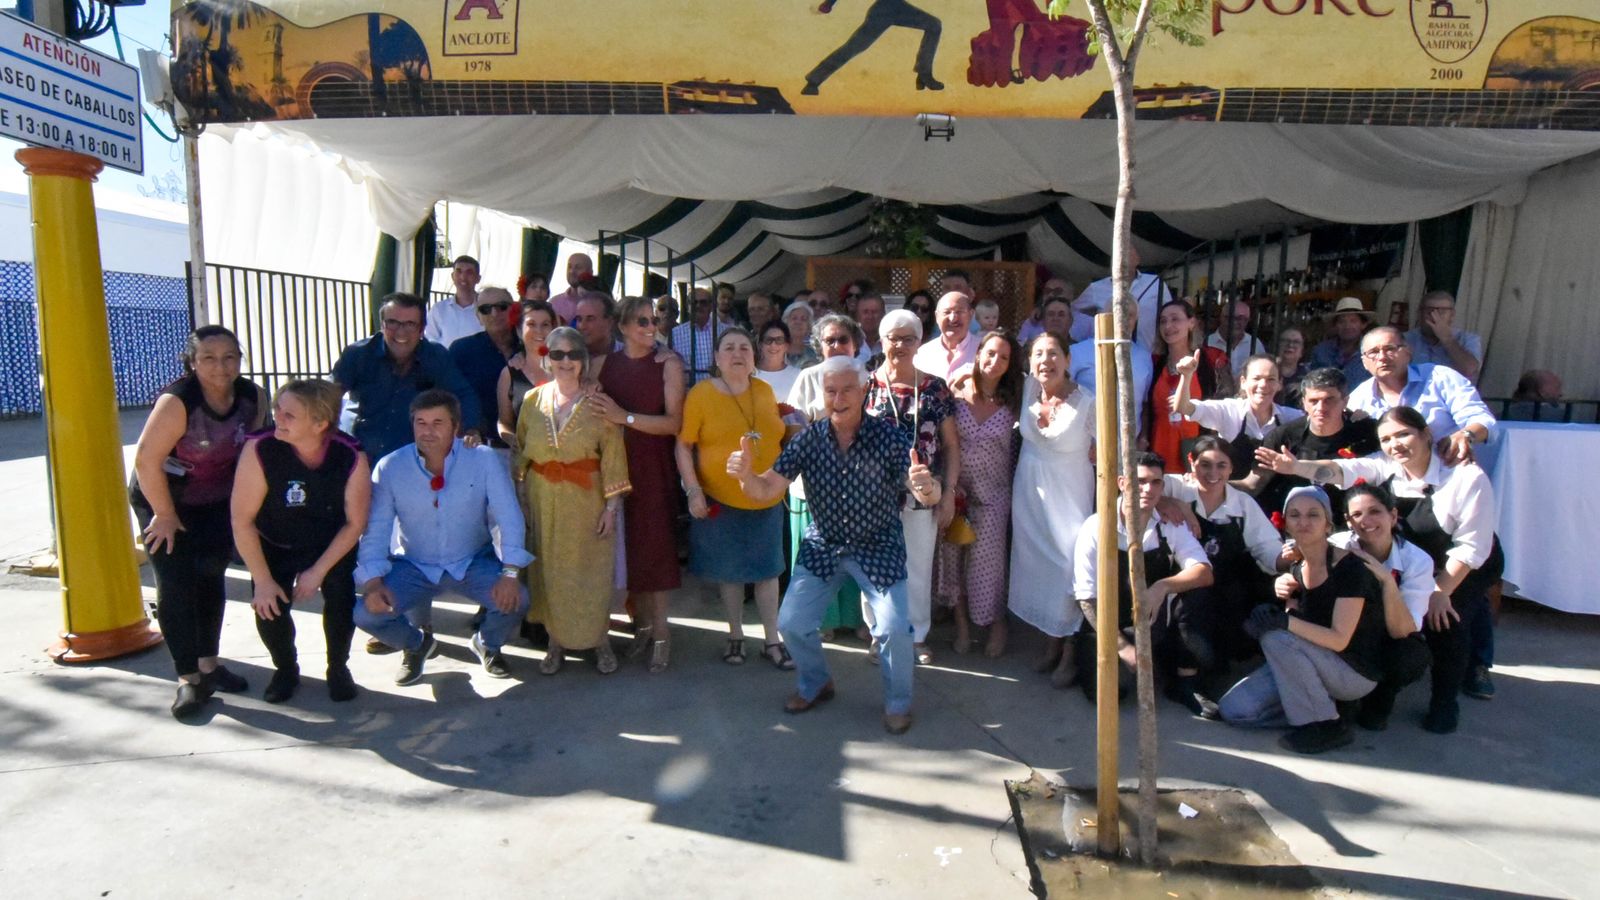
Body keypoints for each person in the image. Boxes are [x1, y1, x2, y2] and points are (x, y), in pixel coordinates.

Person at [1257, 406, 1502, 734]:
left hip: (1462, 562)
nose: (1395, 444)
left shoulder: (1465, 476)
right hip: (1397, 554)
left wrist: (1440, 591)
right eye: (1386, 438)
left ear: (1426, 433)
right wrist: (1296, 466)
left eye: (1403, 434)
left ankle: (1444, 701)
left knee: (1445, 621)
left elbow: (1472, 547)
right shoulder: (1386, 466)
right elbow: (1340, 469)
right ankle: (1371, 690)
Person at [728, 355, 939, 735]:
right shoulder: (809, 439)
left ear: (863, 391)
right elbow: (768, 489)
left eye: (846, 390)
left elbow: (922, 490)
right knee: (791, 623)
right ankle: (816, 683)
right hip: (824, 544)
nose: (838, 398)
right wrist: (746, 478)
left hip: (878, 545)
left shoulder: (890, 438)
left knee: (893, 629)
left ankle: (898, 703)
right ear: (822, 395)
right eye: (830, 391)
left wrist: (927, 486)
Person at [131, 326, 270, 719]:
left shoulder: (251, 396)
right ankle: (188, 679)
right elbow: (146, 460)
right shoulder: (179, 401)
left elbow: (259, 451)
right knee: (175, 583)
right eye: (208, 358)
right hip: (164, 500)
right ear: (192, 362)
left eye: (230, 357)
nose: (220, 366)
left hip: (215, 500)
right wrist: (165, 514)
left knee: (211, 577)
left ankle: (209, 665)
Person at [354, 390, 532, 684]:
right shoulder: (389, 467)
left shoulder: (483, 459)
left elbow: (509, 517)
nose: (428, 431)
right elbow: (376, 531)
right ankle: (416, 645)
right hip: (414, 565)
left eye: (438, 422)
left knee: (518, 598)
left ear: (456, 426)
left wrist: (510, 573)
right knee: (365, 614)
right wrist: (372, 583)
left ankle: (488, 642)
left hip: (472, 561)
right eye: (421, 422)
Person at [1216, 486, 1388, 754]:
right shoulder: (1297, 567)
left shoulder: (1351, 570)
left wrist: (1285, 624)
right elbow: (1298, 621)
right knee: (1234, 711)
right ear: (1286, 524)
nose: (1303, 522)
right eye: (1294, 515)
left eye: (1313, 515)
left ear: (1328, 524)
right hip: (1311, 660)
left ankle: (1327, 725)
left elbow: (1339, 640)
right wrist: (1286, 610)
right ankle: (1325, 707)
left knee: (1275, 638)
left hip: (1353, 670)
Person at [231, 380, 370, 704]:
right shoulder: (260, 447)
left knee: (340, 599)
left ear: (320, 423)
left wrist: (317, 573)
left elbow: (355, 524)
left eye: (289, 414)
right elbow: (241, 519)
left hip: (328, 542)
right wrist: (263, 580)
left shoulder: (349, 454)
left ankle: (338, 668)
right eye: (278, 409)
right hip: (273, 540)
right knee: (269, 607)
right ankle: (285, 669)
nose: (277, 417)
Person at [516, 328, 632, 675]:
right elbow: (521, 451)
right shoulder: (532, 402)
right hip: (543, 498)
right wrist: (522, 499)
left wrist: (611, 508)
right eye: (557, 354)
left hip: (588, 500)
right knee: (549, 572)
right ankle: (555, 641)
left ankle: (599, 639)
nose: (565, 361)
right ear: (546, 358)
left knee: (590, 571)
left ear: (582, 360)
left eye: (572, 354)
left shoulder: (599, 404)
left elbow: (613, 455)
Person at [676, 328, 792, 669]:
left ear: (754, 357)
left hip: (767, 496)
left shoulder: (765, 390)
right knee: (730, 574)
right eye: (729, 348)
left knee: (768, 572)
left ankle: (772, 639)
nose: (737, 353)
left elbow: (780, 436)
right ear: (716, 358)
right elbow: (684, 445)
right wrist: (693, 489)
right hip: (721, 499)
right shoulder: (701, 394)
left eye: (744, 347)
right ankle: (736, 635)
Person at [1072, 452, 1214, 704]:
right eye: (1140, 481)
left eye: (1156, 482)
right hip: (1110, 626)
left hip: (1154, 621)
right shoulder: (1096, 528)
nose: (1148, 489)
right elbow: (1086, 599)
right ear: (1122, 483)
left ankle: (1184, 678)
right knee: (1107, 697)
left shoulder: (1170, 524)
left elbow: (1204, 572)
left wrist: (1162, 587)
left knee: (1197, 597)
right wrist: (1124, 649)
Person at [591, 300, 687, 673]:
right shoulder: (605, 365)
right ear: (624, 327)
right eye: (643, 321)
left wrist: (623, 417)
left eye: (655, 320)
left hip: (652, 465)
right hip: (613, 468)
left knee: (656, 549)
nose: (652, 326)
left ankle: (662, 633)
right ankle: (642, 627)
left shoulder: (669, 364)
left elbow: (674, 423)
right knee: (628, 552)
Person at [1159, 436, 1284, 708]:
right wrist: (1168, 501)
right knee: (1195, 602)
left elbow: (1267, 547)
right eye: (1205, 464)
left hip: (1225, 583)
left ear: (1231, 469)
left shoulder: (1242, 505)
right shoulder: (1175, 486)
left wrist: (1291, 560)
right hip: (1178, 582)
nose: (1212, 473)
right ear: (1191, 463)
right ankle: (1184, 680)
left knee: (1247, 595)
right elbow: (1135, 484)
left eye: (1221, 465)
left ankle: (1214, 667)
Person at [869, 309, 960, 665]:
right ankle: (880, 634)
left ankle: (916, 635)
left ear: (920, 341)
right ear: (882, 340)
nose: (900, 344)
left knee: (918, 566)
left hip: (923, 494)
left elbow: (952, 444)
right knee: (875, 565)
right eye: (893, 337)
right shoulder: (866, 384)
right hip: (874, 495)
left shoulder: (935, 387)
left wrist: (949, 492)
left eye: (909, 338)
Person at [1008, 331, 1097, 686]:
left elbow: (1110, 452)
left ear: (1068, 359)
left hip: (1069, 498)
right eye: (1039, 354)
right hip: (1029, 498)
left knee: (1068, 568)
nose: (1046, 360)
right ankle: (1051, 642)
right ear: (1030, 362)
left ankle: (1071, 650)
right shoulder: (1026, 389)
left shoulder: (1088, 402)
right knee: (1039, 569)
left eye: (1054, 353)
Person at [935, 331, 1022, 658]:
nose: (994, 362)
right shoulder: (955, 393)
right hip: (957, 491)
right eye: (990, 353)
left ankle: (994, 621)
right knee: (952, 558)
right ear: (978, 354)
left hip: (994, 494)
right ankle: (961, 625)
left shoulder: (1014, 400)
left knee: (987, 563)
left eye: (1003, 357)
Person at [786, 314, 872, 642]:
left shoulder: (868, 378)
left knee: (857, 555)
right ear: (819, 346)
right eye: (829, 340)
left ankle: (859, 619)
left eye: (843, 340)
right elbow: (792, 428)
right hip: (815, 484)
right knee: (817, 558)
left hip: (858, 485)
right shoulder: (807, 377)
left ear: (855, 344)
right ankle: (822, 620)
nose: (836, 346)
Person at [1328, 482, 1438, 731]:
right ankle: (1345, 694)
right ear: (1348, 521)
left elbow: (1403, 629)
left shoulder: (1417, 560)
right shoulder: (1338, 546)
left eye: (1375, 511)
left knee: (1410, 656)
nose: (1366, 520)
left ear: (1394, 515)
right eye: (1356, 514)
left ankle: (1381, 697)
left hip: (1389, 635)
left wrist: (1387, 582)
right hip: (1347, 633)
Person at [331, 291, 480, 464]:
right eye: (393, 323)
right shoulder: (358, 354)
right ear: (382, 325)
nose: (401, 332)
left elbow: (463, 394)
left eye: (410, 324)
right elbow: (329, 394)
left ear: (422, 329)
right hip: (359, 455)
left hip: (412, 459)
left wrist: (469, 429)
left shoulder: (436, 356)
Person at [1240, 367, 1380, 522]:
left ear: (1345, 401)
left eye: (1329, 400)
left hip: (1353, 524)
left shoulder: (1367, 434)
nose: (1320, 408)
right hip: (1295, 526)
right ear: (1304, 403)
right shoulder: (1283, 437)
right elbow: (1253, 485)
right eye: (1313, 401)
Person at [1346, 326, 1496, 465]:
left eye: (1390, 349)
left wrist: (1466, 435)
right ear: (1364, 362)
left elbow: (1483, 420)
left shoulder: (1440, 378)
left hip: (1448, 471)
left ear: (1408, 352)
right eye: (1373, 352)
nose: (1382, 357)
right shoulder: (1358, 399)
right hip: (1390, 483)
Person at [1172, 353, 1303, 476]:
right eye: (1256, 378)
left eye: (1271, 379)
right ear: (1243, 382)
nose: (1263, 385)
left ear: (1280, 384)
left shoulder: (1292, 418)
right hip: (1230, 494)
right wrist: (1186, 375)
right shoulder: (1229, 410)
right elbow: (1183, 407)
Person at [1147, 299, 1232, 473]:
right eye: (1163, 321)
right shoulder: (1155, 363)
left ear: (1191, 323)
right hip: (1159, 443)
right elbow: (1147, 407)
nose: (1168, 325)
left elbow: (1224, 403)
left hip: (1196, 447)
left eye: (1175, 319)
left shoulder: (1211, 360)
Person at [448, 286, 520, 449]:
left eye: (502, 307)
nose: (494, 314)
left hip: (530, 451)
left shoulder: (530, 348)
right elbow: (450, 397)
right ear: (478, 316)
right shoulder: (462, 350)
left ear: (514, 310)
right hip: (479, 448)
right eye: (485, 309)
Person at [1072, 246, 1170, 353]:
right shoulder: (1096, 288)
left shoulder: (1155, 283)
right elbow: (1072, 311)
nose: (1123, 259)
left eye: (1127, 254)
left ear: (1138, 259)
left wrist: (1162, 339)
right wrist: (1092, 329)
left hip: (1150, 353)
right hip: (1109, 353)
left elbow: (1169, 312)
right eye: (1119, 254)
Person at [496, 300, 557, 448]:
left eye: (545, 325)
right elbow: (504, 422)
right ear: (518, 330)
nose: (539, 331)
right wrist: (515, 443)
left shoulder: (567, 366)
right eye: (531, 324)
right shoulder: (509, 374)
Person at [1404, 290, 1482, 383]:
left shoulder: (1468, 339)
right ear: (1420, 314)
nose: (1434, 316)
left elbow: (1469, 370)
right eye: (1429, 311)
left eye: (1441, 312)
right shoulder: (1405, 339)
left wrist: (1447, 338)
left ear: (1452, 315)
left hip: (1453, 396)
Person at [913, 291, 978, 382]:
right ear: (937, 317)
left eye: (959, 312)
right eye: (946, 312)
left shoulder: (983, 350)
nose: (953, 318)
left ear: (971, 315)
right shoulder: (923, 354)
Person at [1307, 296, 1373, 386]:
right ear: (1335, 325)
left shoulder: (1372, 351)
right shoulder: (1321, 351)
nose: (1347, 326)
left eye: (1353, 321)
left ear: (1363, 324)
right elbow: (1311, 381)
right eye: (1342, 321)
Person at [423, 255, 483, 348]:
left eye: (469, 272)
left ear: (478, 278)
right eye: (459, 271)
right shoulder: (439, 309)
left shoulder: (486, 309)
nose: (463, 277)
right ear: (452, 276)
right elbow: (431, 339)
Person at [1206, 300, 1270, 376]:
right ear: (1221, 318)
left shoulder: (1255, 343)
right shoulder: (1208, 342)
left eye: (1241, 318)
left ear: (1247, 321)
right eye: (1230, 317)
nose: (1234, 322)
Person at [672, 287, 720, 385]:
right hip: (689, 394)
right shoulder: (675, 334)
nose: (698, 306)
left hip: (719, 393)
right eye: (694, 302)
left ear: (711, 306)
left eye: (703, 302)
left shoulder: (725, 331)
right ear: (688, 306)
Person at [753, 319, 803, 404]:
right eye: (768, 340)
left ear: (787, 345)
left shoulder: (799, 376)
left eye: (779, 340)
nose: (773, 345)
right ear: (760, 345)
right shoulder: (749, 374)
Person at [1018, 277, 1070, 345]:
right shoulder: (1031, 321)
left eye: (1057, 291)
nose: (1051, 295)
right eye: (1047, 291)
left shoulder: (1086, 323)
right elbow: (1020, 345)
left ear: (1070, 295)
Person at [549, 253, 595, 325]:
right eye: (569, 267)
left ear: (591, 272)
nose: (572, 271)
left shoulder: (597, 302)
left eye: (578, 267)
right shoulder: (554, 303)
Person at [573, 292, 618, 363]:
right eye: (579, 319)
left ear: (610, 322)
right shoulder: (570, 357)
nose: (582, 326)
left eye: (590, 319)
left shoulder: (629, 357)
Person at [1276, 327, 1310, 408]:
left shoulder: (1308, 377)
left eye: (1296, 342)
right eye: (1285, 341)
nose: (1290, 345)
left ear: (1302, 351)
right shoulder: (1266, 371)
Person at [782, 300, 820, 369]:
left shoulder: (815, 356)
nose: (798, 322)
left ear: (809, 327)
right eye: (794, 318)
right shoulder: (775, 351)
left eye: (803, 319)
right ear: (785, 323)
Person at [854, 293, 887, 368]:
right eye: (865, 312)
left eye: (874, 312)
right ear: (857, 315)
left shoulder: (891, 341)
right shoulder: (848, 341)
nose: (870, 316)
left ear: (883, 314)